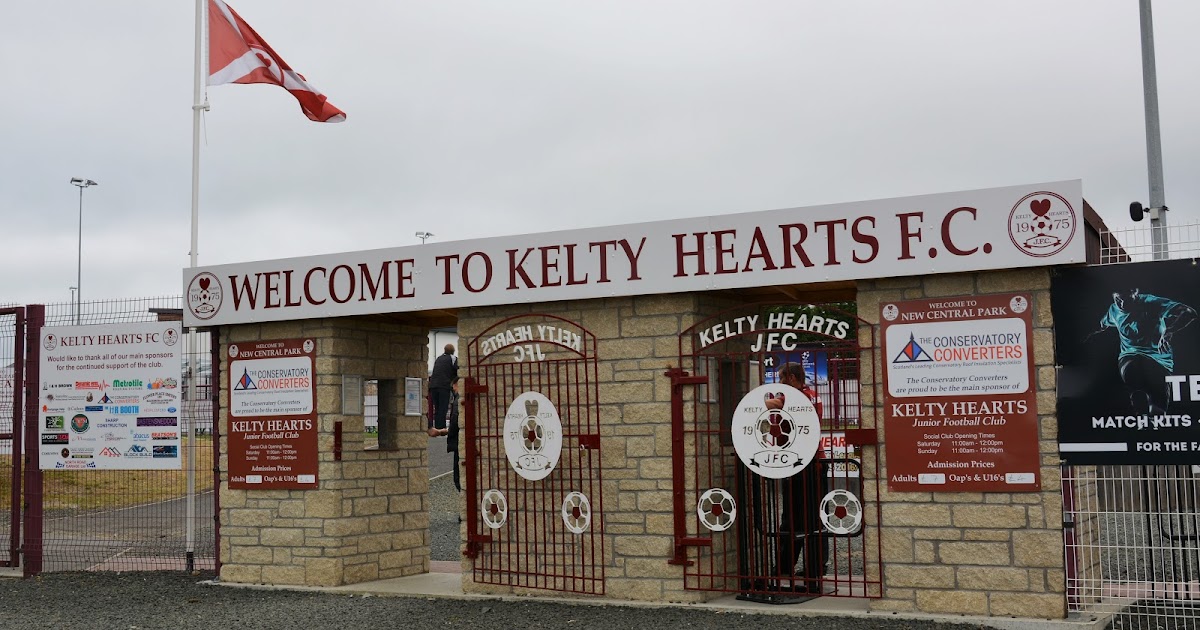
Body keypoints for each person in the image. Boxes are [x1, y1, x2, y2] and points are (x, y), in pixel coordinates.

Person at [765, 361, 825, 593]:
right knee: (814, 518)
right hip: (815, 461)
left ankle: (784, 567)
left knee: (791, 517)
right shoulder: (813, 396)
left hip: (800, 462)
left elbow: (767, 403)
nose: (780, 384)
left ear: (791, 378)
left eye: (781, 379)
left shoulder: (796, 398)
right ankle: (815, 568)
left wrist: (755, 400)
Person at [1088, 288, 1196, 415]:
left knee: (1159, 411)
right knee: (1133, 369)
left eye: (1127, 299)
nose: (1122, 304)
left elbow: (1189, 312)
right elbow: (1101, 325)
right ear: (1113, 296)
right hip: (1130, 356)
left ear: (1136, 293)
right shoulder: (1113, 310)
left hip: (1160, 360)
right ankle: (1138, 401)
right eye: (1118, 300)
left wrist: (1168, 332)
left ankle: (1151, 424)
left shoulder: (1151, 302)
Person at [428, 343, 458, 438]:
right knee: (443, 407)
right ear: (453, 351)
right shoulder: (453, 358)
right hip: (443, 386)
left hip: (433, 385)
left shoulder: (438, 358)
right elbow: (458, 370)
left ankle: (436, 427)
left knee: (437, 408)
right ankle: (442, 428)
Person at [447, 377, 462, 492]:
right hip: (462, 440)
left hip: (458, 441)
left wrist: (449, 433)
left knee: (458, 477)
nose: (453, 389)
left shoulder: (458, 400)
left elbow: (454, 421)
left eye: (454, 386)